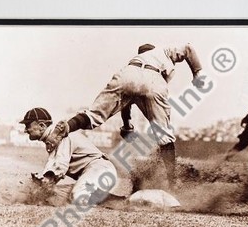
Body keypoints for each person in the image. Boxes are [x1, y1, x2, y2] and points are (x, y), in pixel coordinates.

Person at [44, 43, 205, 186]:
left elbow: (125, 105)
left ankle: (67, 126)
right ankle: (172, 183)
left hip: (127, 76)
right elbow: (189, 48)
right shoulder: (163, 52)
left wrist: (127, 126)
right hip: (154, 80)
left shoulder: (134, 61)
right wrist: (197, 73)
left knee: (93, 115)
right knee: (164, 136)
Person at [20, 107, 118, 205]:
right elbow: (53, 168)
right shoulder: (52, 139)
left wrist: (45, 182)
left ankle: (119, 202)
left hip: (101, 169)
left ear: (41, 125)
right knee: (54, 196)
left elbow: (59, 166)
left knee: (77, 197)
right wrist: (42, 181)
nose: (25, 130)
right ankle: (111, 199)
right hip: (93, 172)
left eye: (28, 125)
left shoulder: (60, 135)